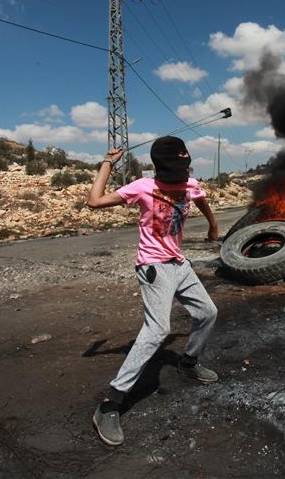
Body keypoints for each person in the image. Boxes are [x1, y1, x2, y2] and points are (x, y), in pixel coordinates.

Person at [86, 136, 219, 446]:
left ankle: (188, 363)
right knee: (158, 330)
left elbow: (200, 198)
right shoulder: (142, 187)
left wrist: (213, 225)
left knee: (208, 313)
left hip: (179, 264)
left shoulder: (190, 183)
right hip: (153, 267)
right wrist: (108, 162)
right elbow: (94, 201)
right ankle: (110, 404)